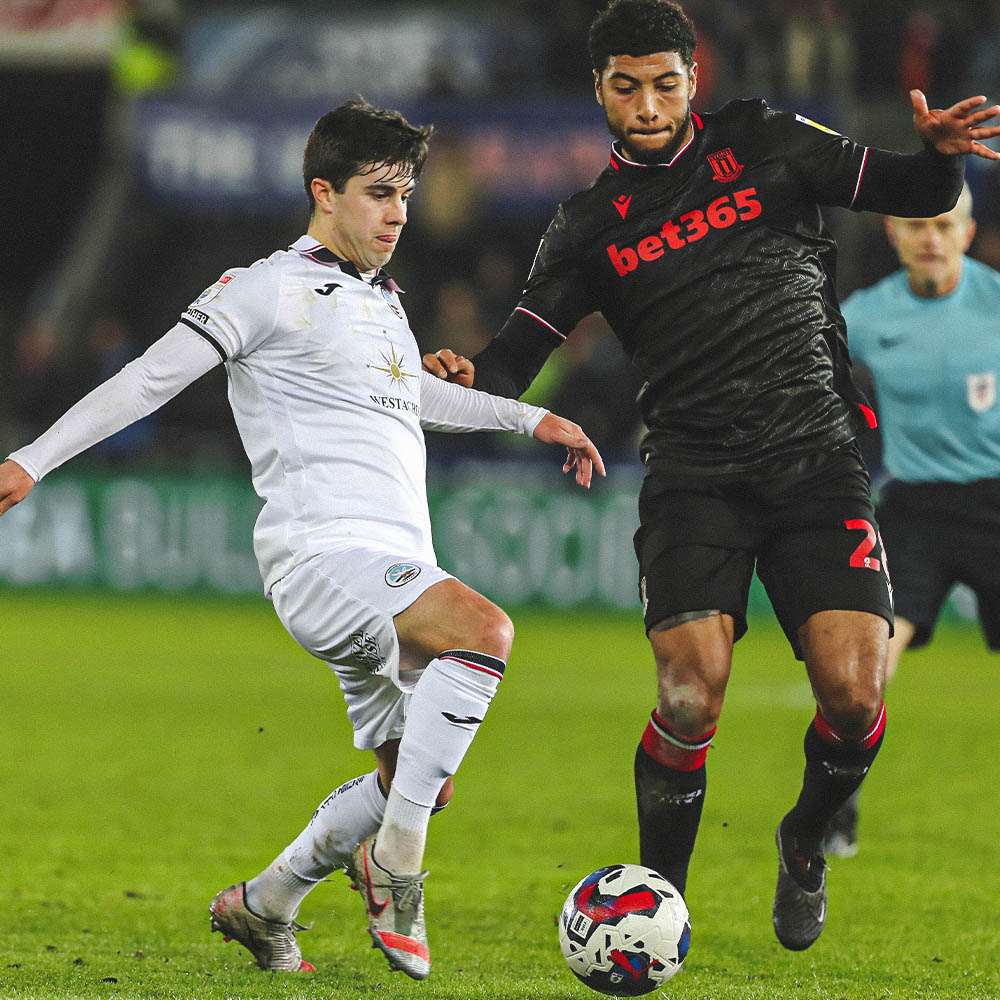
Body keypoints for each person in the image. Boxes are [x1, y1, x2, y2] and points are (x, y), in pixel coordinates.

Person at [422, 0, 1000, 953]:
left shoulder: (768, 141)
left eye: (664, 82)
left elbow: (915, 191)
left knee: (854, 694)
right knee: (691, 694)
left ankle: (805, 841)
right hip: (696, 474)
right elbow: (515, 360)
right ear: (598, 91)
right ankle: (661, 901)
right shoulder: (588, 224)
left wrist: (938, 157)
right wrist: (468, 380)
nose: (647, 103)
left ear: (694, 79)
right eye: (625, 86)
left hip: (817, 461)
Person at [0, 99, 605, 981]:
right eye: (379, 193)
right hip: (324, 556)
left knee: (423, 778)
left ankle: (266, 902)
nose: (399, 213)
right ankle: (399, 869)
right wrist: (32, 459)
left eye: (406, 193)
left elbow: (412, 399)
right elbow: (147, 380)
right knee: (485, 632)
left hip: (390, 565)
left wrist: (534, 418)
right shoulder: (265, 289)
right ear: (323, 193)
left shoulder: (383, 299)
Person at [822, 182, 1000, 858]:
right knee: (868, 658)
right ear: (893, 232)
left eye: (945, 224)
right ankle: (839, 801)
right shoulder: (863, 317)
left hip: (996, 497)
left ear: (968, 231)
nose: (931, 237)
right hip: (916, 504)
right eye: (917, 224)